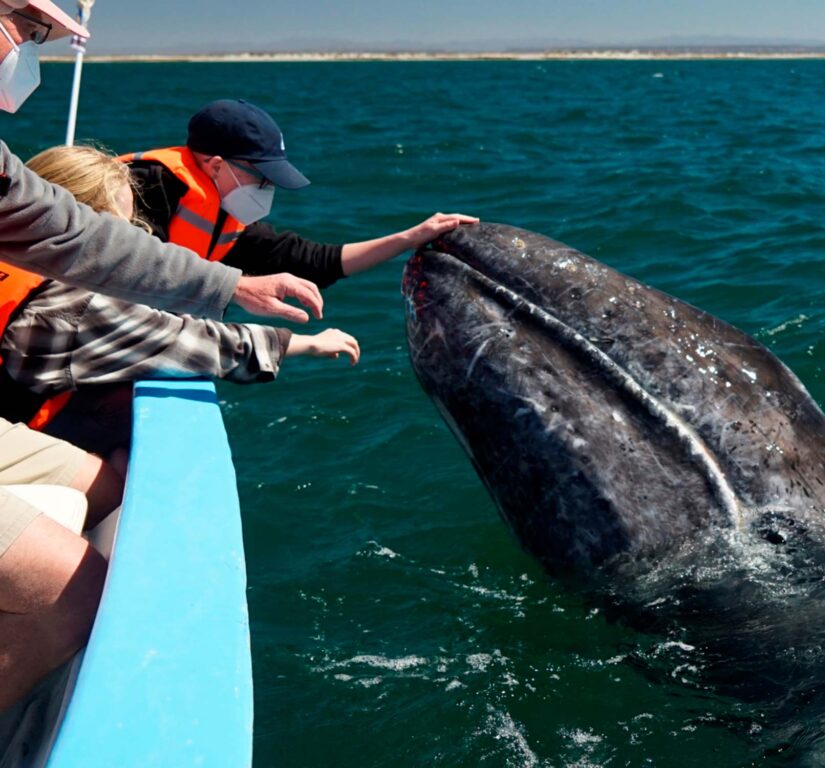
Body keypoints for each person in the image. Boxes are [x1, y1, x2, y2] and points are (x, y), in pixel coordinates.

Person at [0, 0, 319, 714]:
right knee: (73, 592)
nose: (28, 55)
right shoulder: (68, 306)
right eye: (29, 30)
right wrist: (287, 335)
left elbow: (81, 241)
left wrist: (232, 284)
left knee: (111, 483)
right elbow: (182, 339)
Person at [2, 145, 362, 462]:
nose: (131, 238)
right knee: (112, 486)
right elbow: (185, 342)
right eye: (116, 229)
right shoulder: (73, 306)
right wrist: (306, 343)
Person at [125, 98, 478, 286]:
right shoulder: (146, 185)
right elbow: (130, 268)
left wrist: (410, 237)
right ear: (217, 166)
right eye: (261, 177)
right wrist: (240, 290)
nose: (268, 188)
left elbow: (318, 261)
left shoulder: (227, 221)